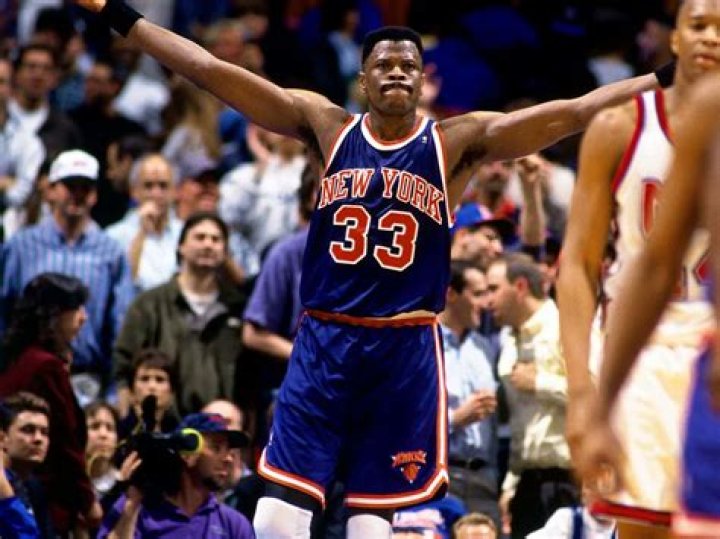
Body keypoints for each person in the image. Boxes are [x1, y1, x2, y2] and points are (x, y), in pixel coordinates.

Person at [75, 1, 673, 535]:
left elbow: (574, 111)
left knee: (371, 523)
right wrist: (120, 14)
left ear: (424, 79)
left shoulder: (456, 141)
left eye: (408, 65)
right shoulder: (326, 125)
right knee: (276, 518)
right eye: (384, 64)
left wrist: (668, 77)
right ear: (362, 80)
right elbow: (209, 70)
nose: (396, 73)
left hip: (403, 347)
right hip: (325, 338)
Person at [557, 2, 720, 537]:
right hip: (645, 355)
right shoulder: (620, 127)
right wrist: (584, 394)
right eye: (699, 25)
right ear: (674, 38)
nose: (710, 38)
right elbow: (580, 265)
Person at [0, 149, 135, 397]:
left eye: (85, 187)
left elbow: (120, 326)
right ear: (51, 190)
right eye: (70, 186)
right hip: (27, 378)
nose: (77, 194)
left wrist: (115, 392)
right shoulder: (20, 247)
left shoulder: (112, 252)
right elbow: (3, 313)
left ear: (95, 195)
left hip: (87, 381)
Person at [112, 212, 253, 416]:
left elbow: (250, 380)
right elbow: (123, 365)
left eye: (216, 239)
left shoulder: (239, 308)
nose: (208, 244)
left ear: (225, 252)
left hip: (222, 427)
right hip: (162, 424)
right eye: (200, 237)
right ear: (181, 246)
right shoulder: (149, 304)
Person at [0, 272, 102, 534]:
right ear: (54, 316)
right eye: (76, 309)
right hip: (41, 496)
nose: (83, 317)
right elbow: (65, 442)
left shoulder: (18, 356)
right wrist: (88, 502)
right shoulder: (45, 366)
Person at [487, 253, 577, 538]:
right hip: (526, 483)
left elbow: (598, 398)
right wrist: (511, 484)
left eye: (494, 289)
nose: (488, 301)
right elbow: (521, 422)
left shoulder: (567, 328)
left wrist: (540, 383)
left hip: (569, 481)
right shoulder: (509, 342)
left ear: (520, 287)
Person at [98, 412, 255, 538]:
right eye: (216, 447)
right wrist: (132, 506)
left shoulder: (234, 525)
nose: (228, 458)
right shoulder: (138, 508)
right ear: (187, 451)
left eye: (229, 450)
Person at [440, 260, 499, 524]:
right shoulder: (424, 345)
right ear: (451, 294)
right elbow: (406, 418)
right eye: (477, 294)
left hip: (483, 481)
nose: (486, 303)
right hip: (441, 476)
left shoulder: (483, 348)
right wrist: (455, 419)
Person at [0, 391, 54, 538]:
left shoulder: (33, 487)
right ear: (2, 438)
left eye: (44, 432)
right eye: (28, 430)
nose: (38, 439)